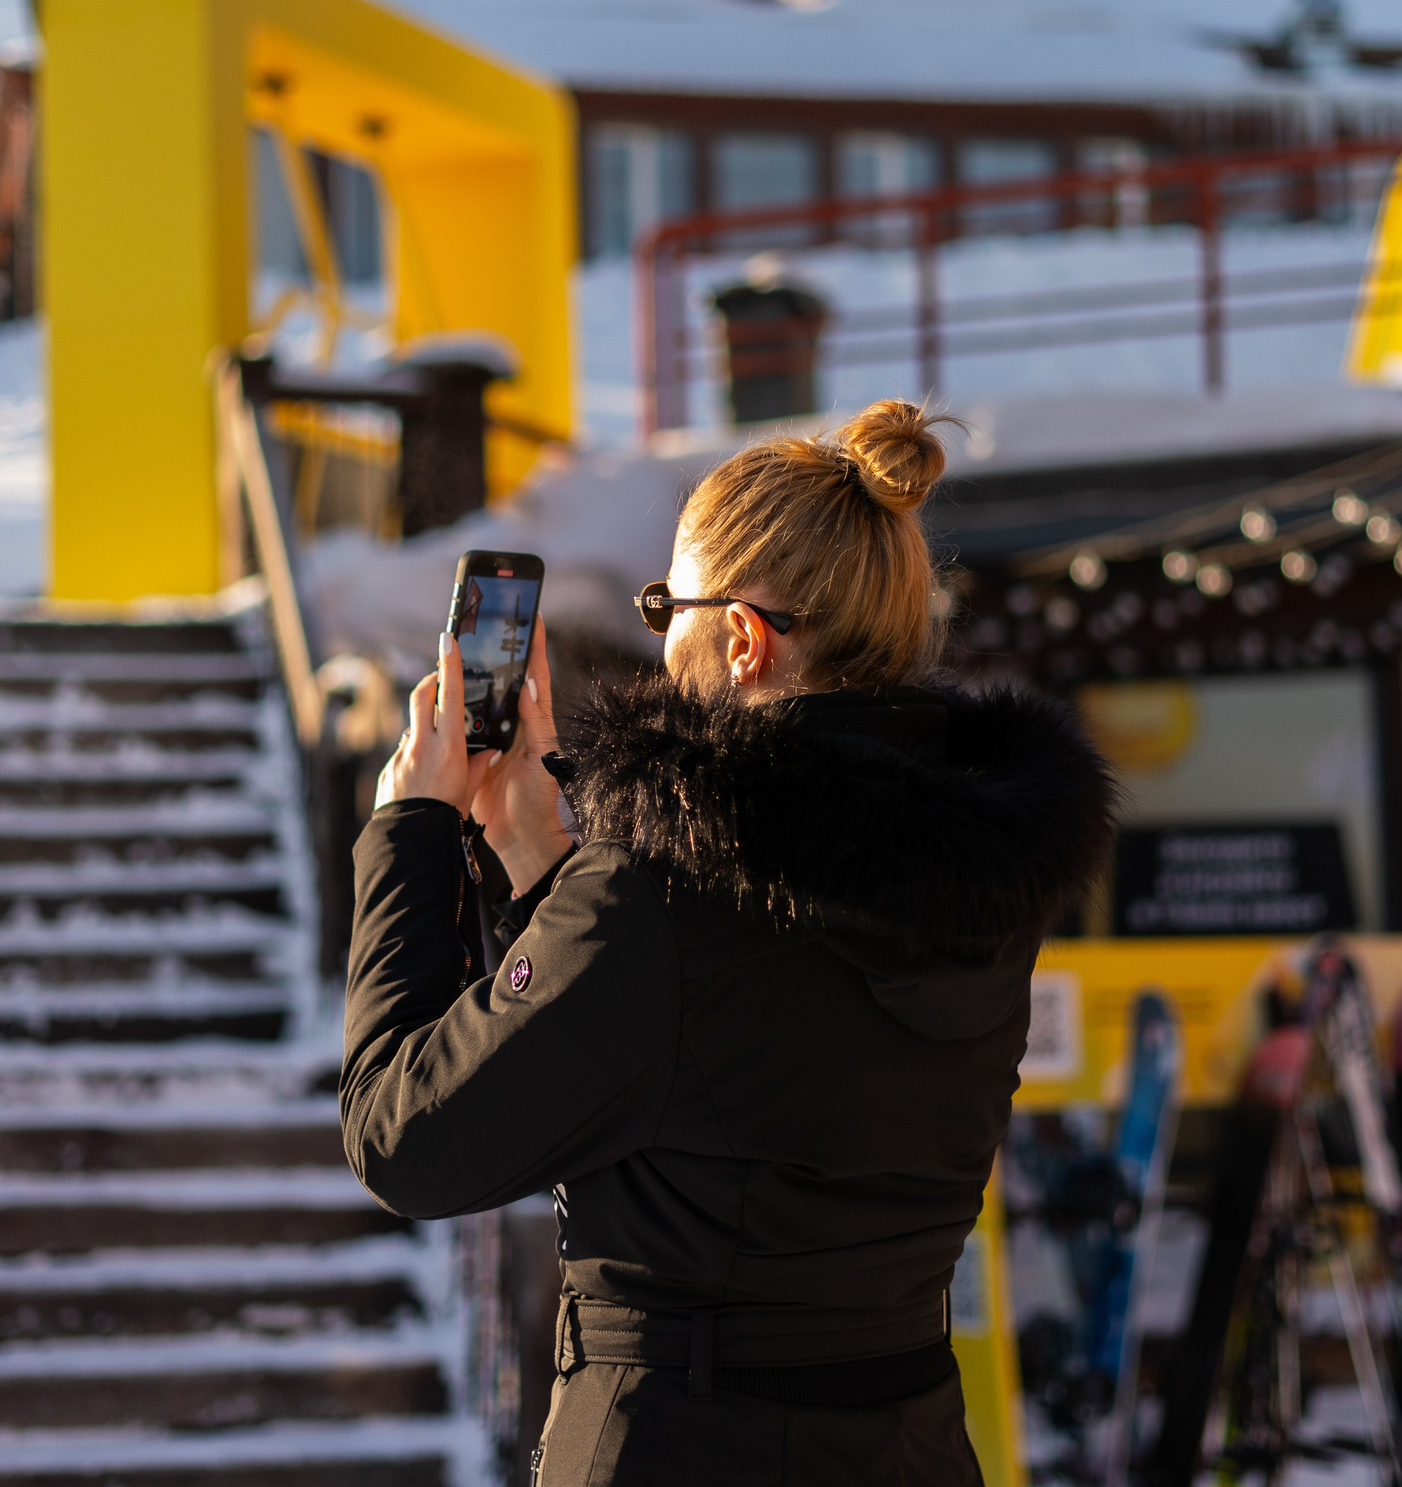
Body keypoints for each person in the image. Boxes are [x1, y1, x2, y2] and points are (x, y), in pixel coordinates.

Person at [342, 398, 1116, 1485]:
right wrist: (550, 876)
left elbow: (403, 1138)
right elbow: (716, 1071)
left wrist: (408, 833)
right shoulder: (981, 875)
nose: (658, 635)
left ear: (743, 637)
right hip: (905, 1439)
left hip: (683, 1442)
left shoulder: (667, 895)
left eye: (669, 602)